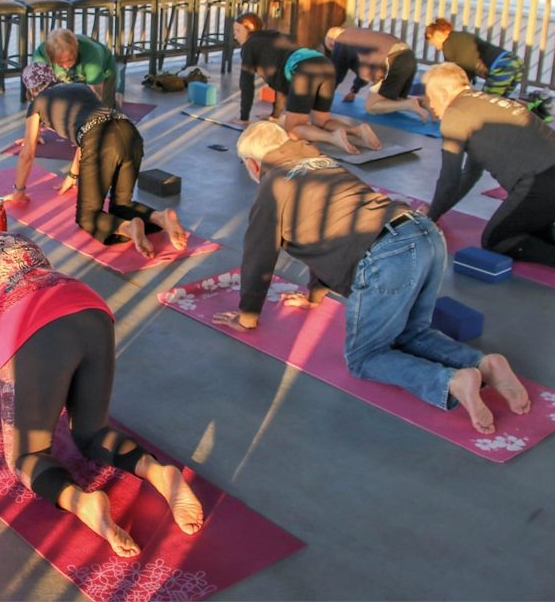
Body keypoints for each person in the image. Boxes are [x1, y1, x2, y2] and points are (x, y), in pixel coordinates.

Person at [0, 189, 204, 557]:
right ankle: (159, 473)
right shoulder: (14, 239)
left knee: (27, 458)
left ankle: (84, 503)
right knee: (92, 434)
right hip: (90, 309)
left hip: (30, 329)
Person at [214, 121, 530, 434]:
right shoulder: (321, 161)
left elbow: (258, 258)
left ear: (254, 165)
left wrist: (248, 317)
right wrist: (314, 295)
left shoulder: (273, 186)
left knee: (365, 356)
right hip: (423, 232)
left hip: (387, 252)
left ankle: (452, 381)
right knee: (412, 333)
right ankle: (483, 363)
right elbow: (323, 238)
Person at [423, 64, 555, 289]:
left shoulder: (455, 113)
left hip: (546, 179)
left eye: (430, 97)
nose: (430, 105)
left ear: (444, 93)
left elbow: (449, 179)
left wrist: (428, 219)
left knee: (496, 239)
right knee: (522, 227)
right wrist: (439, 212)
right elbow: (470, 175)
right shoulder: (485, 102)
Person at [6, 63, 188, 258]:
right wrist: (73, 175)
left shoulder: (38, 103)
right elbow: (88, 128)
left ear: (31, 89)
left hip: (100, 141)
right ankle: (160, 217)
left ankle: (129, 229)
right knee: (121, 204)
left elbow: (28, 152)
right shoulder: (80, 86)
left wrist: (19, 191)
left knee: (88, 215)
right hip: (129, 131)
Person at [235, 13, 380, 154]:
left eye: (238, 30)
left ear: (250, 30)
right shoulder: (274, 35)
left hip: (304, 70)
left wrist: (244, 118)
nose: (235, 35)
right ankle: (357, 131)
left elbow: (246, 83)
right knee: (321, 122)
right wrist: (274, 116)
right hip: (325, 64)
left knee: (293, 129)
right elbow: (281, 86)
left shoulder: (249, 46)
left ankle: (332, 137)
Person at [324, 25, 428, 120]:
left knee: (371, 106)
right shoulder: (359, 34)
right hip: (409, 56)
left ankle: (409, 104)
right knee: (394, 98)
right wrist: (354, 91)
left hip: (393, 60)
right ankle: (423, 103)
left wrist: (323, 99)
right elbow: (364, 69)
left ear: (332, 42)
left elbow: (335, 74)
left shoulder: (341, 41)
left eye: (331, 49)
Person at [424, 18, 525, 99]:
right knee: (502, 103)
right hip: (515, 61)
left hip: (501, 66)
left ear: (437, 34)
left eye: (433, 42)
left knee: (487, 103)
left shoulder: (448, 44)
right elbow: (469, 59)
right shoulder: (462, 36)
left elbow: (453, 73)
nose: (437, 47)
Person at [30, 28, 120, 107]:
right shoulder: (41, 56)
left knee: (104, 106)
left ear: (76, 50)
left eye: (70, 59)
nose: (66, 66)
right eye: (60, 63)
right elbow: (36, 88)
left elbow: (96, 91)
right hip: (73, 76)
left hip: (105, 68)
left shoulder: (91, 54)